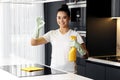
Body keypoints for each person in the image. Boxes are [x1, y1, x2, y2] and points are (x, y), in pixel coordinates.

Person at [31, 4, 89, 73]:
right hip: (54, 71)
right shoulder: (52, 34)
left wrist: (79, 48)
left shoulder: (75, 34)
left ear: (69, 18)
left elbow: (86, 56)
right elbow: (34, 43)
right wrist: (36, 29)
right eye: (59, 17)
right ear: (56, 18)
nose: (61, 20)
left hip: (70, 73)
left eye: (64, 17)